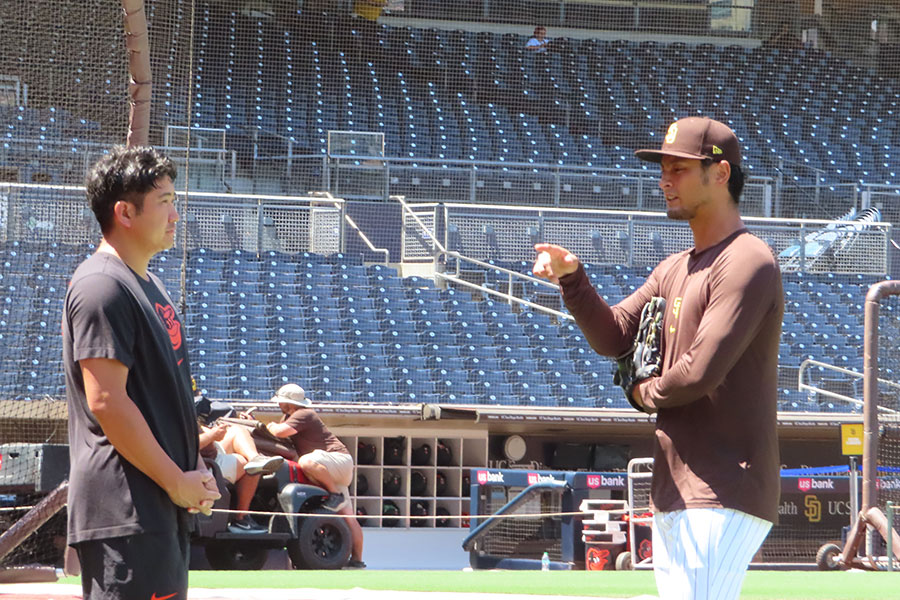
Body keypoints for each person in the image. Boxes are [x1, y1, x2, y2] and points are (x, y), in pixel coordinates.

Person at [532, 117, 782, 600]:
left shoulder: (749, 260)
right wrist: (573, 279)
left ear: (721, 173)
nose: (665, 179)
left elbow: (697, 373)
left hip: (725, 486)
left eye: (680, 168)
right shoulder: (673, 267)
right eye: (663, 168)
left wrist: (642, 393)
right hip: (677, 488)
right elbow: (613, 336)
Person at [63, 146, 220, 600]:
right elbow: (107, 401)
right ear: (124, 212)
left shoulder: (148, 285)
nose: (176, 214)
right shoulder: (101, 286)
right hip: (127, 510)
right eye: (166, 201)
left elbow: (161, 399)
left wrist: (194, 472)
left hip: (158, 508)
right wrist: (176, 481)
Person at [265, 383, 366, 569]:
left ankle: (334, 494)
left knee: (305, 462)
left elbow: (280, 432)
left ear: (288, 403)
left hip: (336, 461)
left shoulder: (304, 414)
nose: (278, 405)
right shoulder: (290, 416)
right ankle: (358, 561)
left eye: (281, 402)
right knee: (347, 516)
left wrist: (268, 425)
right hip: (332, 468)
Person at [198, 421, 283, 533]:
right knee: (246, 464)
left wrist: (213, 432)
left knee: (236, 430)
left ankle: (255, 458)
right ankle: (241, 519)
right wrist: (211, 435)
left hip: (209, 453)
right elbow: (186, 445)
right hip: (203, 464)